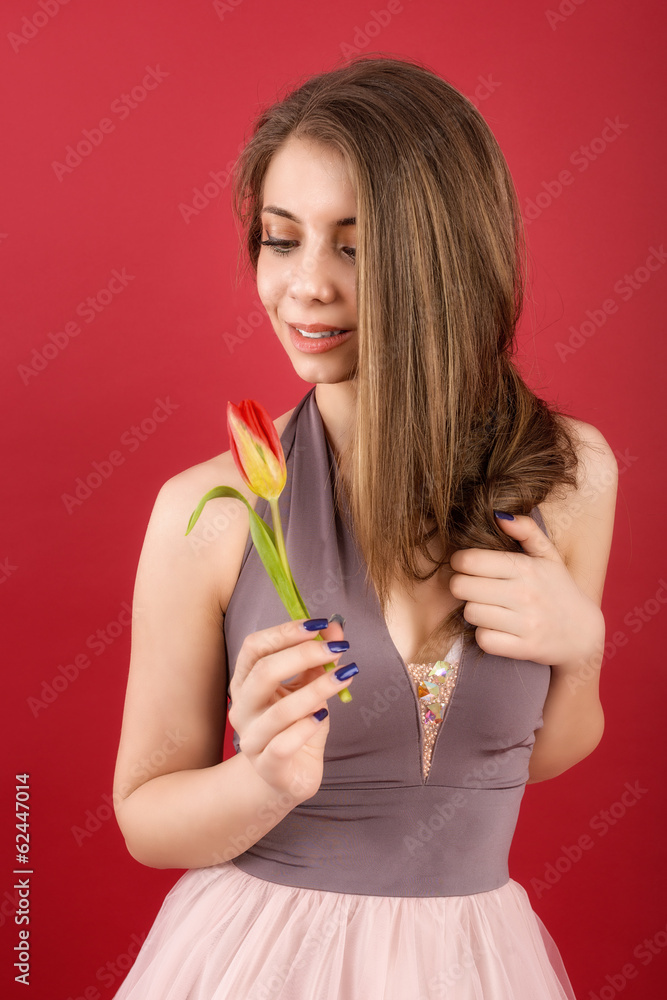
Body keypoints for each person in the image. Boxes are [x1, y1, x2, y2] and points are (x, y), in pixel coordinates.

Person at [111, 54, 617, 999]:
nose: (303, 286)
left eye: (354, 245)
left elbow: (532, 752)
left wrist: (581, 650)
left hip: (473, 963)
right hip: (258, 963)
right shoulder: (208, 513)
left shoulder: (570, 475)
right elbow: (145, 817)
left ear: (447, 254)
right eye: (280, 239)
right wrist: (261, 780)